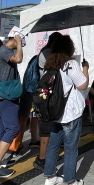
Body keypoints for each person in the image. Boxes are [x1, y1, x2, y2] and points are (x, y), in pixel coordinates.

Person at [42, 35, 89, 185]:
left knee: (53, 146)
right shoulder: (70, 64)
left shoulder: (49, 64)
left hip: (55, 113)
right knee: (70, 149)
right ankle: (70, 183)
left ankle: (49, 177)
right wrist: (85, 69)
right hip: (70, 113)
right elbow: (83, 84)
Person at [0, 35, 23, 178]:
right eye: (20, 43)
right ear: (13, 40)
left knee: (3, 127)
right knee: (13, 128)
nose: (21, 47)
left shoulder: (3, 51)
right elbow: (18, 59)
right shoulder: (4, 50)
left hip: (6, 96)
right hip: (6, 97)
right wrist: (19, 43)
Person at [32, 32, 63, 171]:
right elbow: (51, 71)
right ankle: (42, 159)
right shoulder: (47, 53)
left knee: (52, 128)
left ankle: (49, 155)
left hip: (48, 95)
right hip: (45, 96)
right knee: (46, 130)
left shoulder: (47, 52)